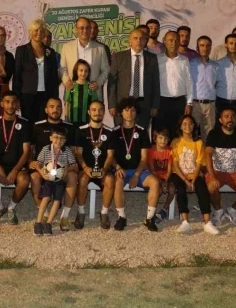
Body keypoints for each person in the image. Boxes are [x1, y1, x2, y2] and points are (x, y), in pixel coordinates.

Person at [111, 97, 162, 232]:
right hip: (121, 170)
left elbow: (144, 158)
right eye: (126, 110)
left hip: (138, 170)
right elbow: (110, 157)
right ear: (121, 112)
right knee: (118, 181)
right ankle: (121, 217)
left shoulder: (142, 131)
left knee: (155, 182)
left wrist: (137, 174)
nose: (129, 113)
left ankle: (149, 218)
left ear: (136, 112)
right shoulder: (114, 132)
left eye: (132, 110)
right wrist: (117, 167)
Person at [0, 91, 32, 224]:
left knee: (24, 180)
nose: (10, 105)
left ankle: (11, 208)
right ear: (1, 104)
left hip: (17, 165)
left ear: (18, 104)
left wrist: (15, 170)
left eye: (13, 102)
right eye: (7, 102)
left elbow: (26, 152)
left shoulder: (25, 124)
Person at [30, 97, 78, 230]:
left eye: (58, 107)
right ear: (46, 109)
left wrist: (67, 169)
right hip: (43, 169)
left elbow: (73, 153)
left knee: (73, 176)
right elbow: (31, 149)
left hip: (63, 169)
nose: (55, 109)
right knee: (34, 177)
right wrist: (33, 165)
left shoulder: (70, 127)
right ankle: (44, 213)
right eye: (51, 106)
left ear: (62, 109)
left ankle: (65, 216)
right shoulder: (37, 126)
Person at [169, 115, 218, 235]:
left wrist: (194, 180)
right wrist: (185, 181)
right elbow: (175, 164)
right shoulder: (175, 142)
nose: (187, 126)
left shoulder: (199, 143)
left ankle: (207, 222)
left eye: (190, 124)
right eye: (184, 124)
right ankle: (185, 222)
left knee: (202, 190)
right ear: (180, 126)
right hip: (179, 174)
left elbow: (199, 164)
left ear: (194, 126)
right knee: (180, 190)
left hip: (194, 174)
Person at [73, 100, 116, 229]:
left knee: (110, 180)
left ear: (104, 112)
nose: (97, 112)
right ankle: (81, 212)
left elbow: (110, 155)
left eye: (100, 110)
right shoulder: (81, 130)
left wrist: (104, 169)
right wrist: (85, 168)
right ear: (89, 112)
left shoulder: (109, 132)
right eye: (94, 109)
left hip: (103, 169)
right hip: (86, 169)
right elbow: (78, 153)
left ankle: (104, 213)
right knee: (82, 179)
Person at [108, 27, 160, 130]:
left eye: (142, 38)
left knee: (141, 134)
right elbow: (112, 83)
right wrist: (112, 105)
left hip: (144, 104)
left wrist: (155, 105)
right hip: (123, 103)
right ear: (130, 41)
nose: (139, 41)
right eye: (135, 38)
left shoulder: (152, 58)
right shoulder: (119, 57)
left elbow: (156, 83)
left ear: (145, 41)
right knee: (121, 134)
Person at [13, 19, 60, 124]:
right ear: (30, 32)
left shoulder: (50, 52)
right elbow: (17, 75)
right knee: (28, 124)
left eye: (41, 31)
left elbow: (54, 77)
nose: (39, 33)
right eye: (36, 30)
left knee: (44, 124)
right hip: (27, 96)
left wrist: (55, 98)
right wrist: (16, 97)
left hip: (46, 96)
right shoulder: (21, 50)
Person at [60, 17, 109, 101]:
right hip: (73, 95)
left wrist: (98, 83)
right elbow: (62, 68)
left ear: (90, 29)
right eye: (81, 28)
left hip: (94, 95)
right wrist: (66, 81)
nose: (85, 30)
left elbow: (106, 69)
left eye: (87, 27)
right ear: (76, 30)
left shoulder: (100, 48)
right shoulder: (66, 47)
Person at [157, 30, 193, 134]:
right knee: (162, 133)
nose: (174, 43)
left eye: (176, 40)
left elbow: (189, 82)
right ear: (164, 41)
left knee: (178, 133)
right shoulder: (157, 60)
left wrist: (189, 103)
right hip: (162, 102)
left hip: (180, 102)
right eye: (171, 40)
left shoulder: (184, 60)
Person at [189, 36, 219, 140]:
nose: (205, 48)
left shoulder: (216, 66)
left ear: (211, 48)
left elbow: (217, 84)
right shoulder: (190, 64)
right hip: (195, 104)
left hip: (210, 105)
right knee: (191, 133)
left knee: (209, 136)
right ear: (197, 48)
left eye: (207, 46)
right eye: (202, 45)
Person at [146, 127, 175, 223]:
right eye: (160, 138)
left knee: (172, 189)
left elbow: (170, 168)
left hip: (166, 176)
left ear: (169, 140)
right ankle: (151, 211)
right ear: (155, 139)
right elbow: (152, 169)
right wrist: (161, 183)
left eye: (165, 138)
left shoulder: (170, 151)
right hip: (154, 176)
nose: (163, 141)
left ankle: (164, 210)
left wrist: (166, 181)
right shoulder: (151, 151)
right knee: (157, 190)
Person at [64, 59, 99, 125]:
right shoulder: (71, 86)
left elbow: (95, 104)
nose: (83, 73)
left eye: (86, 71)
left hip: (87, 121)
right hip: (73, 121)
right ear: (76, 71)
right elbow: (67, 103)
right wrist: (66, 118)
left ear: (89, 72)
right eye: (81, 70)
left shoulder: (91, 87)